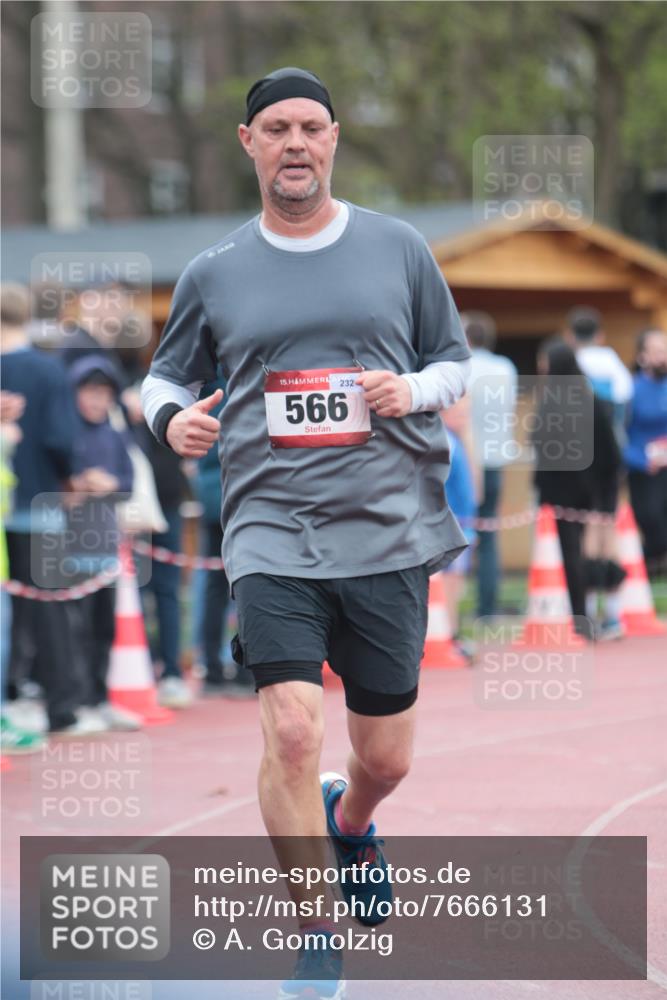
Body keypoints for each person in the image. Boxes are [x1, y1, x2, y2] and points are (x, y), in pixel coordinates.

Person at [141, 67, 471, 1000]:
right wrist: (172, 424)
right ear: (248, 142)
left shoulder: (398, 249)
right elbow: (162, 379)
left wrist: (410, 390)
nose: (295, 142)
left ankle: (353, 819)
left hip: (389, 532)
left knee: (385, 758)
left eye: (311, 127)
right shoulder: (215, 270)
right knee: (291, 729)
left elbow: (454, 359)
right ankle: (313, 931)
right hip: (270, 531)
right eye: (276, 127)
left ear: (332, 141)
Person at [0, 283, 89, 736]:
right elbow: (59, 439)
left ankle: (11, 695)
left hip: (3, 504)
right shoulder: (48, 371)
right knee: (50, 607)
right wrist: (71, 479)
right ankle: (61, 707)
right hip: (39, 504)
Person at [65, 356, 140, 731]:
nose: (97, 401)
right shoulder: (64, 431)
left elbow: (128, 481)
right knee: (70, 630)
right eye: (89, 392)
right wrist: (77, 483)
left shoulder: (114, 435)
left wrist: (110, 485)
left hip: (105, 547)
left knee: (102, 628)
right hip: (67, 548)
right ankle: (74, 701)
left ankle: (98, 697)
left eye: (104, 393)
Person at [532, 338, 622, 641]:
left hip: (559, 495)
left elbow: (539, 444)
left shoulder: (550, 401)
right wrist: (605, 490)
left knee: (569, 556)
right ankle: (593, 617)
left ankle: (580, 618)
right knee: (584, 553)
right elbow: (609, 450)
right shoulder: (589, 398)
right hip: (589, 493)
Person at [566, 306, 632, 637]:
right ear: (601, 334)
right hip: (612, 458)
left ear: (570, 335)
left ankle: (588, 614)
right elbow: (624, 409)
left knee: (587, 534)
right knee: (609, 529)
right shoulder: (614, 366)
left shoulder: (573, 365)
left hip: (581, 459)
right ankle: (614, 615)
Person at [193, 375, 255, 697]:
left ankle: (212, 671)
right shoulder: (246, 386)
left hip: (211, 496)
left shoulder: (205, 390)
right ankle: (245, 670)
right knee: (247, 583)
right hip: (241, 499)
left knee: (214, 589)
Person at [463, 311, 517, 620]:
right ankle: (487, 607)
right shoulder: (505, 367)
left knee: (457, 532)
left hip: (466, 459)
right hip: (495, 459)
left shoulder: (462, 369)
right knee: (489, 534)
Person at [625, 328, 667, 577]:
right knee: (651, 521)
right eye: (656, 351)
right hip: (643, 470)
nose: (662, 357)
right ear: (642, 357)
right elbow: (619, 436)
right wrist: (640, 460)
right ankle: (643, 566)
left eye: (665, 351)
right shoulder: (632, 390)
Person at [440, 396, 477, 659]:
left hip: (464, 522)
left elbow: (475, 488)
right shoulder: (445, 442)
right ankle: (449, 634)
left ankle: (453, 633)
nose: (464, 417)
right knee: (449, 585)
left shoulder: (458, 440)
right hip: (451, 526)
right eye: (460, 411)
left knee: (457, 584)